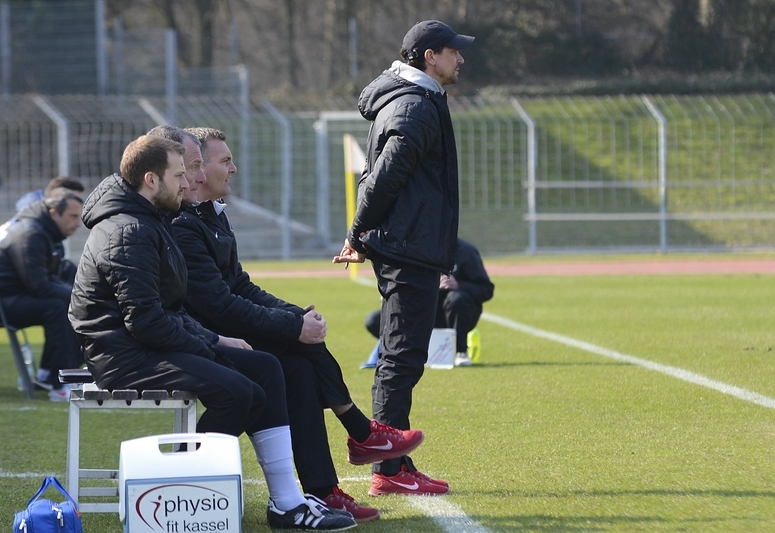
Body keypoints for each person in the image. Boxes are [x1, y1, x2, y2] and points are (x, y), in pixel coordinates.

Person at [67, 136, 355, 531]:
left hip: (143, 344)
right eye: (179, 175)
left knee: (265, 368)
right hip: (122, 356)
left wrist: (215, 340)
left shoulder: (150, 220)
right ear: (151, 180)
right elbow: (146, 322)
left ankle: (286, 504)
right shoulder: (129, 230)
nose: (188, 183)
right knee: (239, 392)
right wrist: (211, 342)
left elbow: (169, 310)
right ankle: (172, 491)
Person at [172, 127, 424, 519]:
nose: (233, 168)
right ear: (197, 170)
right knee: (295, 349)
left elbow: (240, 285)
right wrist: (292, 327)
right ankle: (360, 431)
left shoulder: (212, 217)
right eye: (226, 161)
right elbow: (217, 307)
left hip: (224, 330)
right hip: (209, 338)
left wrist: (294, 315)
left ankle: (325, 490)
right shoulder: (184, 225)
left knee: (300, 368)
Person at [332, 20, 474, 495]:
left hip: (410, 244)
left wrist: (362, 233)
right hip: (408, 247)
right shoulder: (414, 106)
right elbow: (384, 178)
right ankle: (389, 470)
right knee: (401, 356)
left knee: (404, 354)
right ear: (430, 56)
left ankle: (393, 463)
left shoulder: (415, 100)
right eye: (453, 51)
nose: (460, 59)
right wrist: (357, 232)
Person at [0, 188, 84, 400]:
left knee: (68, 282)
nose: (78, 223)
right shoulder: (31, 234)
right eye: (73, 216)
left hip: (13, 296)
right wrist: (81, 299)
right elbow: (39, 285)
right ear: (54, 213)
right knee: (58, 307)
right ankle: (61, 384)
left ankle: (48, 375)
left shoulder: (43, 230)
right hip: (4, 302)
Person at [362, 237, 494, 368]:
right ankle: (404, 352)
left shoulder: (465, 251)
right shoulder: (416, 249)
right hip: (422, 310)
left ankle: (460, 351)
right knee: (374, 320)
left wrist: (458, 285)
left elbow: (486, 289)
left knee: (456, 299)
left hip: (454, 313)